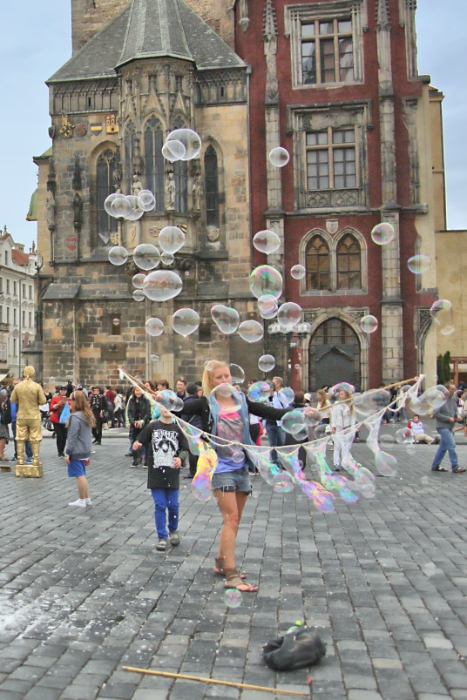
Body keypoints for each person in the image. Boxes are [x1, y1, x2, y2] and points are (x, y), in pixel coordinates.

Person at [177, 361, 293, 592]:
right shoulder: (204, 404)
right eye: (218, 378)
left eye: (227, 376)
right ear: (210, 381)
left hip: (241, 464)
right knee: (231, 518)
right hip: (220, 467)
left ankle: (221, 562)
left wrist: (298, 411)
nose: (224, 381)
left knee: (236, 518)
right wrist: (160, 400)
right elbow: (177, 409)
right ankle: (231, 575)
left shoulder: (241, 401)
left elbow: (268, 411)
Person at [133, 404, 189, 551]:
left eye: (170, 406)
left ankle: (173, 530)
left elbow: (185, 448)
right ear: (159, 409)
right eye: (164, 406)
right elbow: (141, 439)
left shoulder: (178, 429)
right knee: (160, 505)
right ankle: (162, 536)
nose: (167, 409)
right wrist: (137, 444)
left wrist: (181, 459)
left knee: (173, 505)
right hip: (156, 474)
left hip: (172, 474)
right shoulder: (153, 426)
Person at [65, 390, 94, 508]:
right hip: (85, 449)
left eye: (71, 399)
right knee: (82, 474)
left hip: (77, 450)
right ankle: (86, 498)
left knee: (79, 475)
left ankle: (81, 499)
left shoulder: (75, 417)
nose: (69, 402)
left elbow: (72, 436)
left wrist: (67, 452)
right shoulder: (87, 414)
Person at [431, 382, 466, 473]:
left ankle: (435, 466)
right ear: (445, 389)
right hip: (442, 426)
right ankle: (455, 466)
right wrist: (448, 418)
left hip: (450, 426)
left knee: (443, 447)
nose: (453, 391)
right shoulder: (439, 399)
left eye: (454, 389)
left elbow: (455, 410)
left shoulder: (452, 398)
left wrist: (457, 415)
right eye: (451, 389)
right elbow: (435, 413)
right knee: (452, 445)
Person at [331, 388, 356, 471]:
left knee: (346, 447)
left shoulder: (350, 404)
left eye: (342, 394)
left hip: (348, 427)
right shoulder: (336, 404)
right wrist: (333, 426)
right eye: (340, 394)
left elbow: (352, 417)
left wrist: (353, 427)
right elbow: (333, 416)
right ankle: (336, 463)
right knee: (337, 446)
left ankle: (345, 463)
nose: (340, 396)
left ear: (346, 395)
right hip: (338, 427)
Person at [182, 382, 203, 479]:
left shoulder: (186, 402)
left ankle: (193, 471)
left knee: (192, 451)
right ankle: (200, 470)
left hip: (191, 428)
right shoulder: (199, 401)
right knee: (199, 450)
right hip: (200, 427)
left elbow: (184, 418)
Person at [265, 377, 288, 465]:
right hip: (269, 423)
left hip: (279, 424)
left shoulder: (279, 396)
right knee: (272, 445)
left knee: (281, 443)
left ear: (272, 388)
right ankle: (275, 462)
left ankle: (283, 462)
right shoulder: (265, 398)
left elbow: (286, 408)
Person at [127, 386, 151, 467]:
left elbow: (148, 413)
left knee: (146, 443)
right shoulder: (131, 400)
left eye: (140, 391)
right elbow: (129, 412)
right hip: (135, 424)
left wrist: (143, 421)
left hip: (144, 424)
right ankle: (136, 459)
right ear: (134, 391)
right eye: (137, 390)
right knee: (135, 441)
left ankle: (146, 461)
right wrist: (132, 422)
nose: (138, 392)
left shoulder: (146, 400)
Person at [49, 386, 70, 457]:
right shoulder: (55, 398)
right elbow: (51, 407)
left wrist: (68, 406)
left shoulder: (68, 399)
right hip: (57, 419)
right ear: (59, 391)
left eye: (64, 390)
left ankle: (62, 451)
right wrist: (58, 404)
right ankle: (59, 451)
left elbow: (71, 408)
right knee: (59, 435)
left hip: (65, 419)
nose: (63, 391)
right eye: (62, 390)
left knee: (64, 436)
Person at [0, 390, 11, 461]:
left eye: (5, 398)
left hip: (4, 421)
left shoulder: (7, 402)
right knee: (3, 437)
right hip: (1, 421)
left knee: (3, 437)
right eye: (2, 398)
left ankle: (1, 453)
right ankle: (1, 454)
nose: (4, 399)